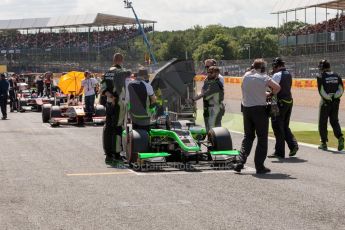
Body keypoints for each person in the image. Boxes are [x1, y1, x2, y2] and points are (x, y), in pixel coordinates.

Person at [234, 59, 281, 174]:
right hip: (260, 110)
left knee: (248, 137)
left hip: (246, 109)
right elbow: (277, 88)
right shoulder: (264, 77)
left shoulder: (245, 76)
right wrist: (270, 94)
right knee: (262, 138)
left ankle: (240, 161)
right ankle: (259, 166)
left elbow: (250, 91)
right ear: (263, 68)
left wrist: (263, 94)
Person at [101, 53, 131, 164]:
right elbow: (129, 75)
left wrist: (111, 97)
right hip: (118, 103)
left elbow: (102, 89)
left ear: (113, 60)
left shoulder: (107, 72)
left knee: (108, 127)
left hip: (109, 103)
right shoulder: (121, 71)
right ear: (121, 60)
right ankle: (117, 154)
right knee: (118, 127)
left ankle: (108, 153)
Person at [270, 58, 299, 158]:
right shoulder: (288, 73)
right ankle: (293, 145)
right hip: (289, 101)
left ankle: (279, 152)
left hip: (279, 103)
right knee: (285, 126)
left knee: (277, 126)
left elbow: (273, 88)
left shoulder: (277, 75)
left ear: (276, 65)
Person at [317, 60, 344, 151]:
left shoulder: (320, 76)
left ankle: (323, 143)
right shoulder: (337, 75)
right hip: (336, 102)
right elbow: (341, 89)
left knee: (322, 122)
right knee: (334, 121)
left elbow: (321, 90)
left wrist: (328, 98)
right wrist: (334, 97)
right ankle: (340, 137)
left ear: (322, 67)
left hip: (325, 102)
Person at [192, 66, 225, 132]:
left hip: (214, 109)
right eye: (208, 72)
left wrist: (192, 100)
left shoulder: (215, 83)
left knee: (214, 132)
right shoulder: (208, 82)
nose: (209, 74)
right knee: (210, 131)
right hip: (208, 109)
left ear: (217, 74)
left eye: (211, 72)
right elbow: (203, 92)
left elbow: (204, 94)